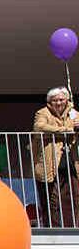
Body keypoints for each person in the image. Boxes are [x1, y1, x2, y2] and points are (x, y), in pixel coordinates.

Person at [31, 87, 79, 228]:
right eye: (55, 100)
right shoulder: (42, 112)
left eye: (61, 99)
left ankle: (74, 227)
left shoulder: (74, 113)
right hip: (49, 162)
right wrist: (64, 130)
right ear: (49, 102)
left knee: (75, 195)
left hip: (71, 160)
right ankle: (53, 228)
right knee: (51, 199)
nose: (58, 103)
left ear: (66, 100)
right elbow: (39, 127)